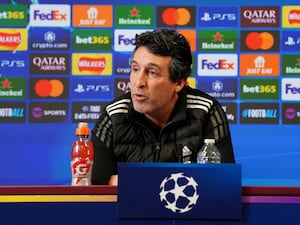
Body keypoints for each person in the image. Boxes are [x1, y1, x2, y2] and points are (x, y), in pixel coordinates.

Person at [91, 29, 235, 185]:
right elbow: (95, 190)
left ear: (179, 82)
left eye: (152, 73)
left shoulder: (206, 112)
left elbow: (223, 185)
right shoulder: (113, 116)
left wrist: (127, 181)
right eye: (135, 69)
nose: (138, 82)